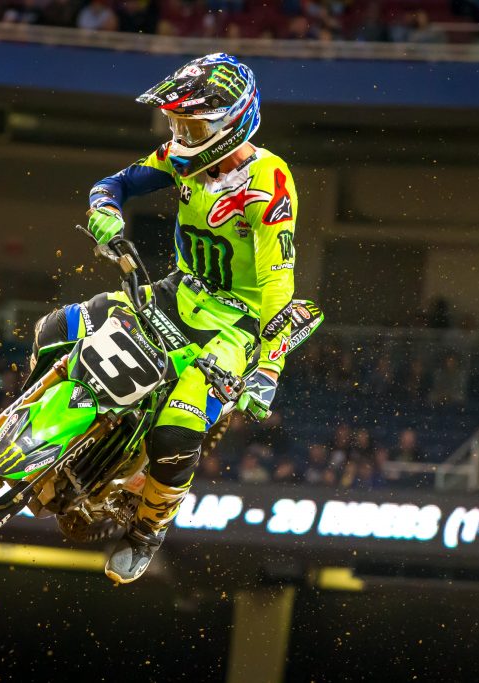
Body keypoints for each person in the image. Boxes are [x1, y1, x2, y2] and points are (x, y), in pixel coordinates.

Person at [29, 54, 298, 584]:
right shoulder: (181, 156)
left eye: (191, 126)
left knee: (175, 434)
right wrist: (105, 211)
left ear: (232, 123)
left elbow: (278, 285)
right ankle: (35, 426)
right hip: (176, 292)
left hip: (236, 327)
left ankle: (147, 530)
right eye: (176, 123)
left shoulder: (269, 182)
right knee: (55, 330)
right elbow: (115, 183)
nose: (180, 136)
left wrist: (269, 368)